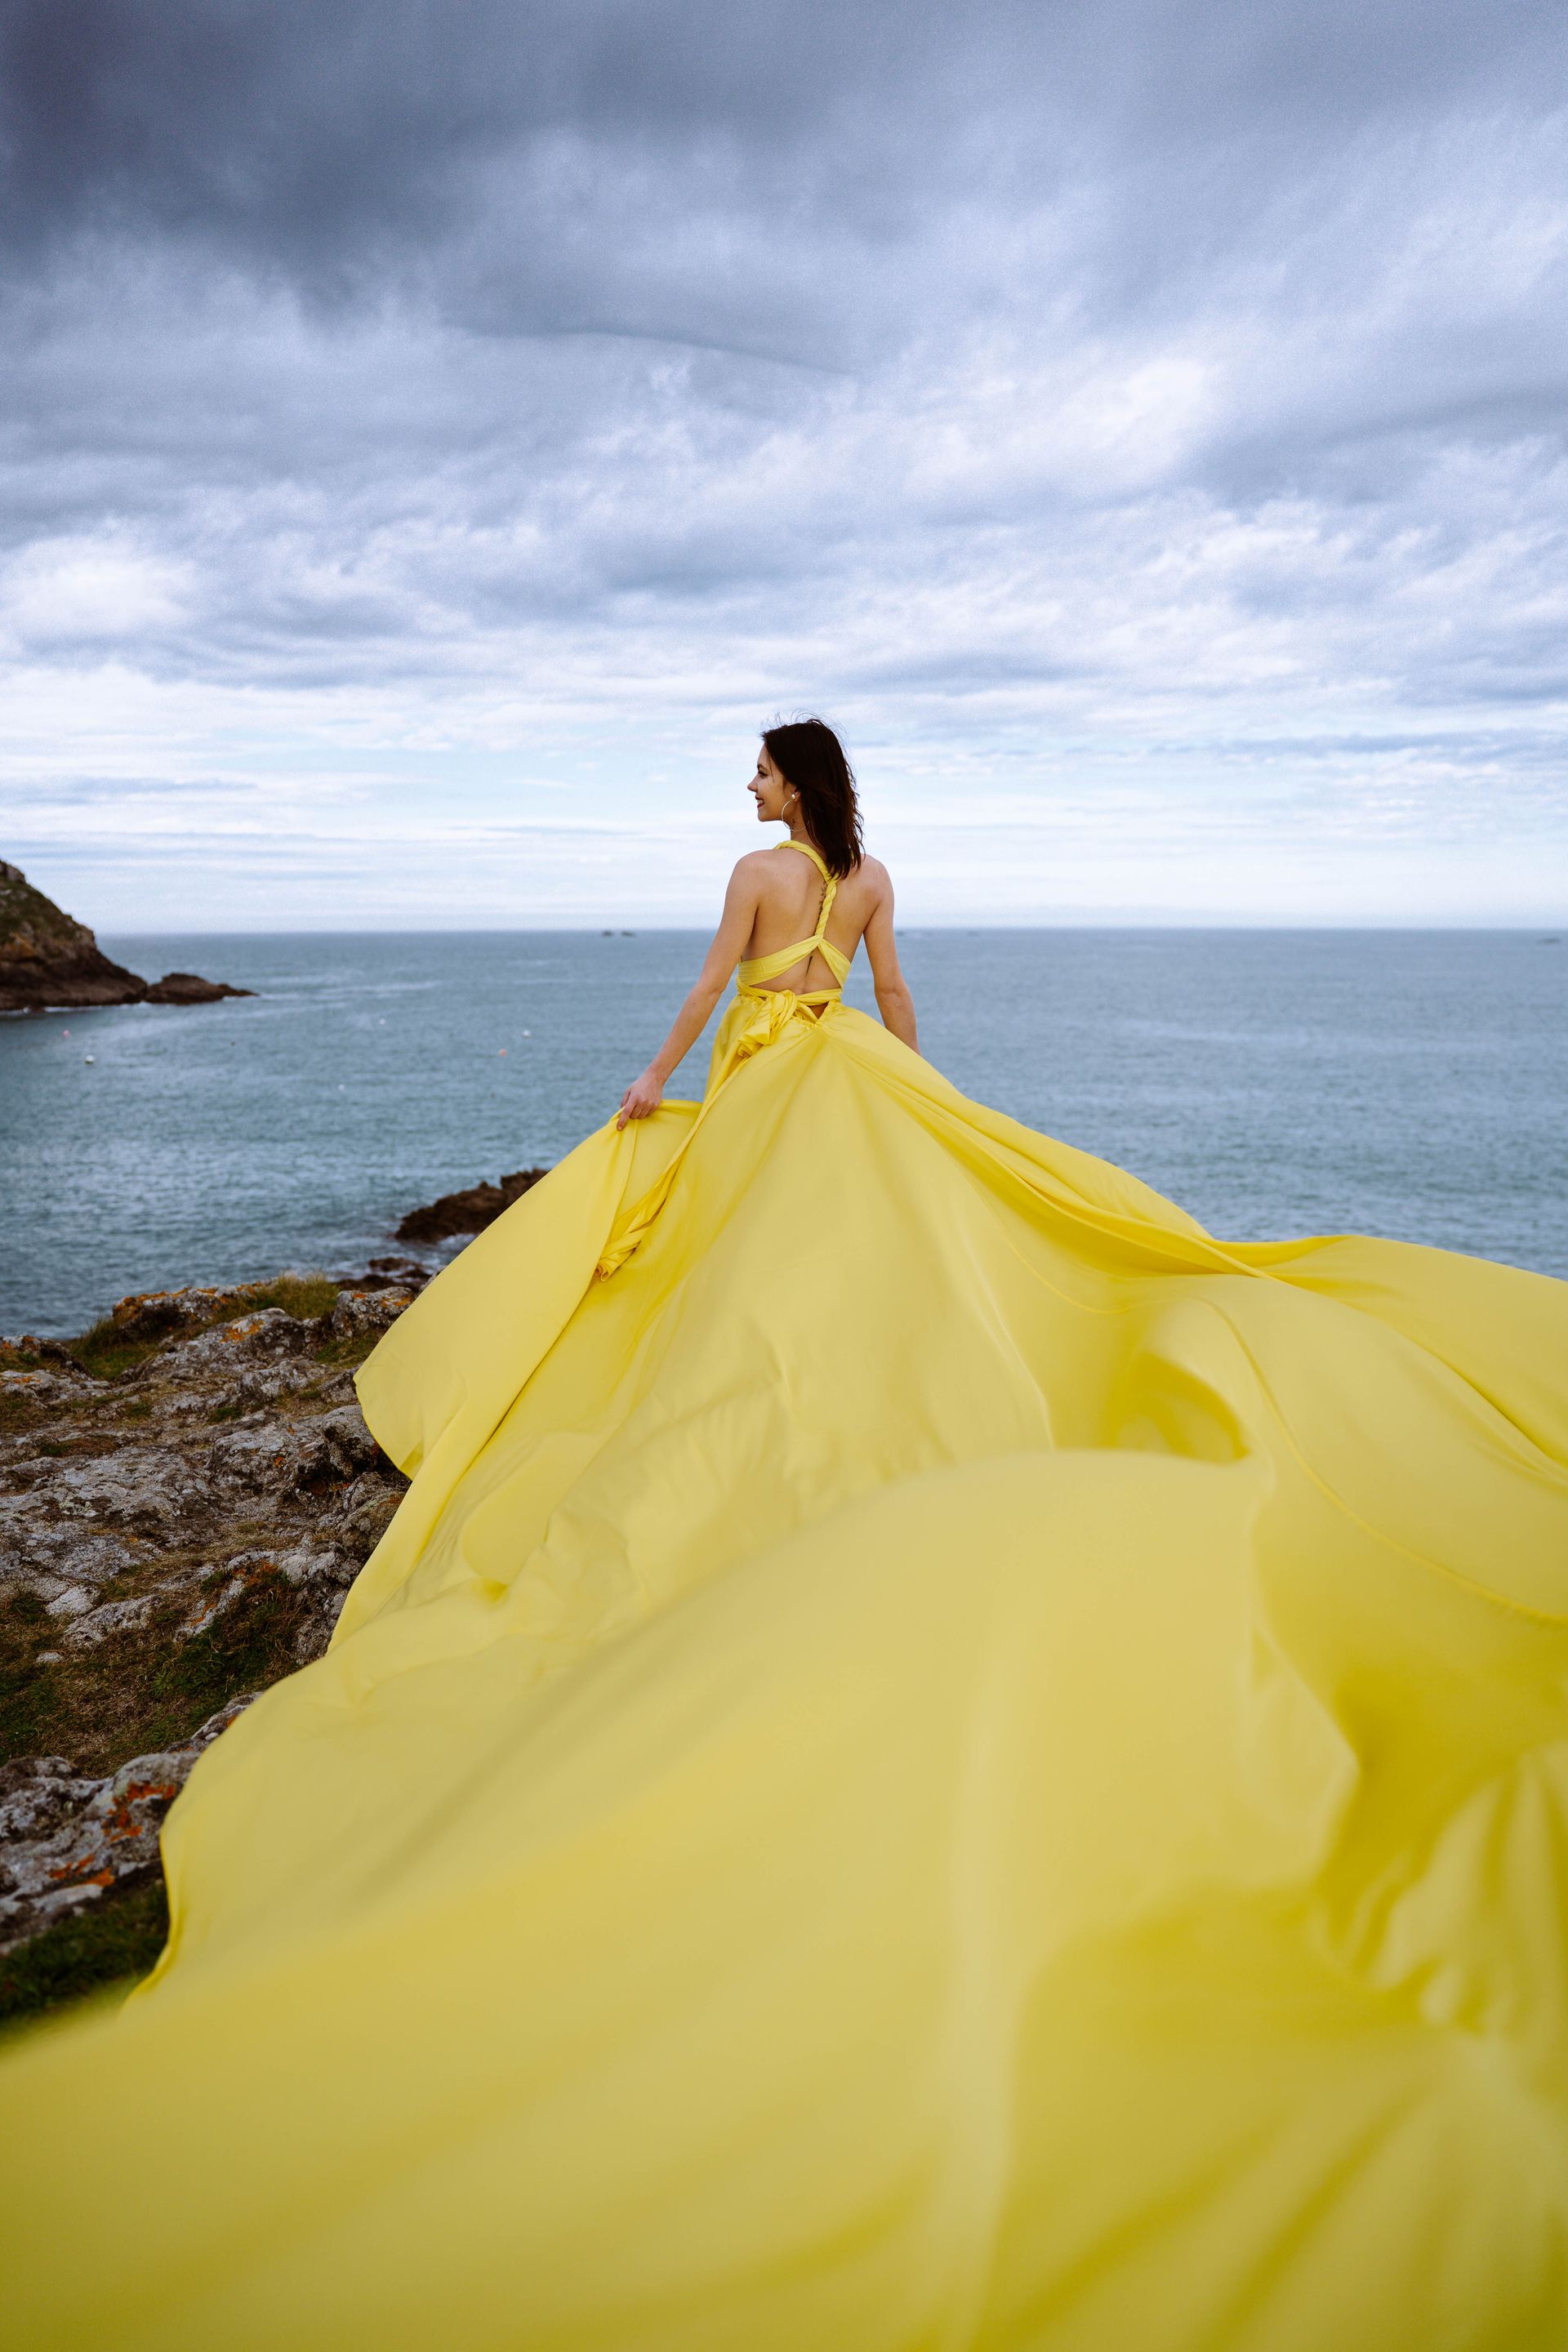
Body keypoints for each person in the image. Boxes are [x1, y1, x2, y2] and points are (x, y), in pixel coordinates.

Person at [3, 718, 1567, 2351]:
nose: (740, 785)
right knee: (858, 1263)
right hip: (858, 1092)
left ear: (791, 783)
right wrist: (930, 1106)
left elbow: (706, 988)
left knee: (725, 1279)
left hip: (765, 1093)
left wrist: (646, 1083)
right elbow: (897, 1008)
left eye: (754, 765)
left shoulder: (757, 877)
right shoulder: (872, 875)